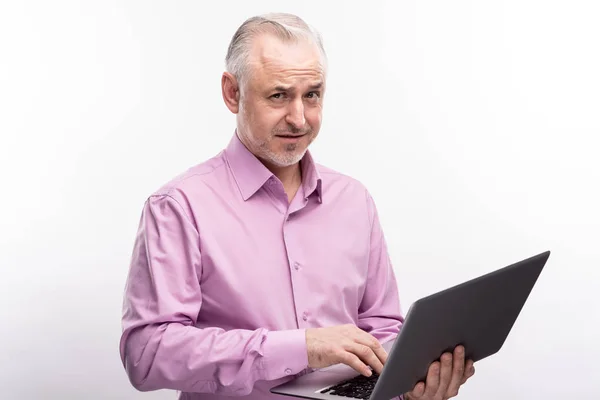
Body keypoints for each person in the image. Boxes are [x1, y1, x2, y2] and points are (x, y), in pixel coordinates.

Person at [119, 12, 475, 400]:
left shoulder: (354, 200)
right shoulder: (178, 207)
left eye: (312, 95)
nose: (299, 118)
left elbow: (382, 330)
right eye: (279, 95)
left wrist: (408, 384)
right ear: (232, 92)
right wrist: (301, 347)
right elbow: (147, 354)